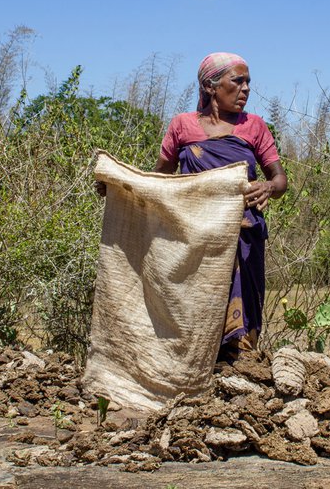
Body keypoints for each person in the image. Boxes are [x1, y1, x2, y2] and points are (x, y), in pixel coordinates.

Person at [97, 52, 287, 363]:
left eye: (248, 82)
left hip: (243, 235)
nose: (246, 89)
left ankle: (239, 377)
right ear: (211, 86)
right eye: (237, 81)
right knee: (192, 307)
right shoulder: (182, 126)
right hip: (195, 234)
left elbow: (280, 179)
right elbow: (158, 178)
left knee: (240, 319)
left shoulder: (254, 127)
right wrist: (120, 186)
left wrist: (268, 186)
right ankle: (189, 372)